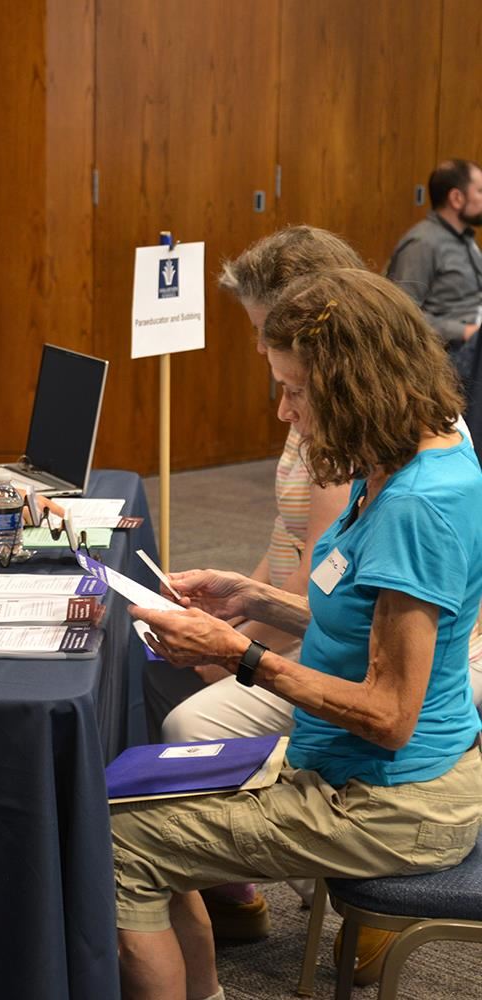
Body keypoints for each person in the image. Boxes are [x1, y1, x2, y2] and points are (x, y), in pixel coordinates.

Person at [115, 268, 482, 1000]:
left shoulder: (417, 505)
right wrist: (251, 597)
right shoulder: (402, 459)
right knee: (126, 790)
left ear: (356, 385)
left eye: (297, 391)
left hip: (391, 803)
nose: (284, 412)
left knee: (114, 846)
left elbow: (387, 714)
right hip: (377, 776)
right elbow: (365, 630)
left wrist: (242, 654)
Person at [386, 159, 482, 371]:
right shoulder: (421, 244)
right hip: (452, 355)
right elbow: (400, 315)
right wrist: (463, 331)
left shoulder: (465, 239)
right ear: (457, 198)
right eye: (480, 191)